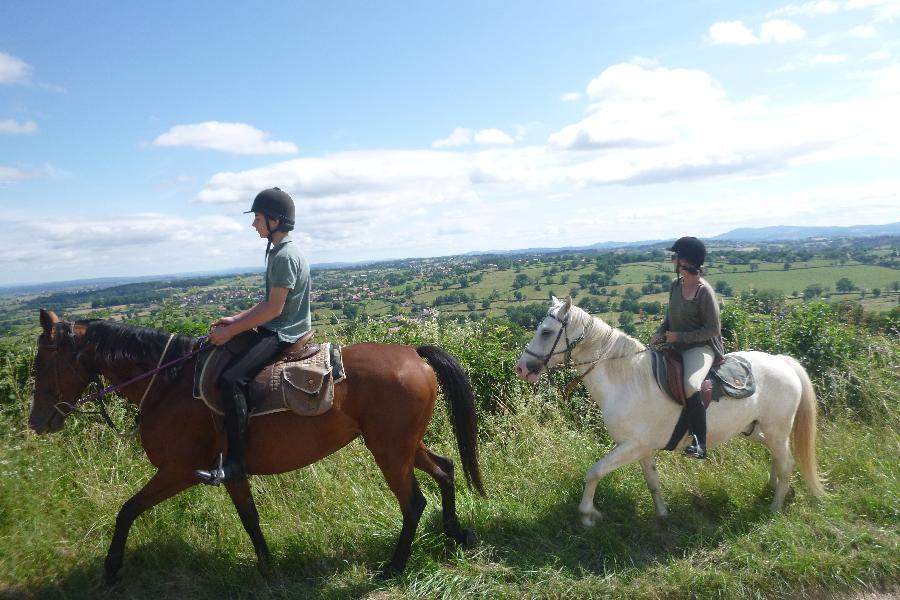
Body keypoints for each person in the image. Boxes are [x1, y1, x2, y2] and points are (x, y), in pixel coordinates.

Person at [195, 187, 311, 485]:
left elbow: (274, 309)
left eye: (258, 218)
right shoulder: (282, 252)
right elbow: (266, 303)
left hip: (284, 332)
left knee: (232, 379)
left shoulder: (284, 256)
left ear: (275, 220)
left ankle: (235, 463)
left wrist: (232, 331)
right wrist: (236, 319)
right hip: (278, 325)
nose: (254, 224)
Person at [650, 236, 725, 459]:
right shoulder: (676, 285)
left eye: (675, 256)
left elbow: (712, 329)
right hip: (675, 344)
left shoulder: (704, 292)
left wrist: (679, 337)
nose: (672, 260)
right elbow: (669, 318)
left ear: (685, 262)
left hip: (700, 348)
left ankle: (699, 443)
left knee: (692, 385)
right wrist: (660, 332)